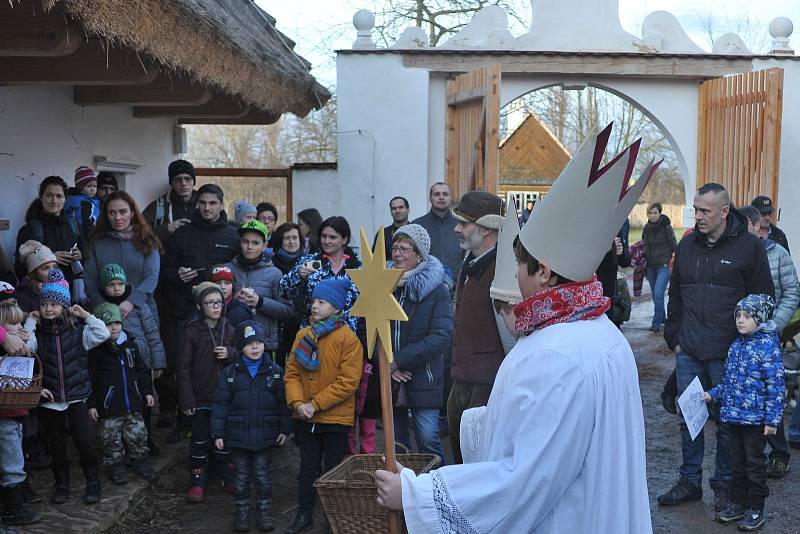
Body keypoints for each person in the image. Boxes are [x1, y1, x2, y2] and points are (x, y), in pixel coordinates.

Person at [375, 128, 653, 532]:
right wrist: (475, 426)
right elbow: (557, 437)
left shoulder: (555, 353)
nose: (516, 282)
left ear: (542, 272)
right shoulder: (598, 329)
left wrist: (416, 495)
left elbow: (525, 479)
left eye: (520, 268)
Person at [659, 183, 774, 516]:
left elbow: (764, 298)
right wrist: (674, 338)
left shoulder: (750, 247)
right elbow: (676, 294)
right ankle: (689, 481)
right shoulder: (688, 245)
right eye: (695, 209)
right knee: (689, 419)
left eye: (705, 211)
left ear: (724, 212)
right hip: (689, 350)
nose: (698, 217)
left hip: (729, 355)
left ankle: (723, 487)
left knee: (727, 424)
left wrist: (748, 347)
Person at [283, 278, 363, 533]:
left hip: (335, 420)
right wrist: (297, 403)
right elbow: (292, 374)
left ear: (336, 307)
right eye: (314, 301)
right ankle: (304, 514)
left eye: (322, 302)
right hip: (305, 418)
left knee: (333, 470)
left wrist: (315, 404)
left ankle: (332, 518)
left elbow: (347, 382)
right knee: (307, 469)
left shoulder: (348, 340)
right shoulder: (303, 335)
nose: (315, 306)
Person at [26, 268, 109, 505]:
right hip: (51, 400)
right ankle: (61, 485)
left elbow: (102, 334)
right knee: (57, 446)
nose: (49, 308)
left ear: (63, 306)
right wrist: (30, 323)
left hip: (76, 397)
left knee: (84, 442)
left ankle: (93, 481)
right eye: (45, 304)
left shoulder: (78, 332)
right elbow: (28, 348)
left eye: (54, 304)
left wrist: (86, 315)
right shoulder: (39, 335)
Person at [703, 294, 785, 531]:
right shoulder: (736, 346)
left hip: (755, 421)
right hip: (733, 417)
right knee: (736, 464)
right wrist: (713, 393)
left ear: (759, 318)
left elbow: (776, 387)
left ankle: (756, 508)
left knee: (754, 464)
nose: (740, 320)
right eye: (738, 315)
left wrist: (772, 419)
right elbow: (729, 382)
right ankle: (738, 504)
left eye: (747, 316)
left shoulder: (768, 348)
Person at [211, 321, 291, 533]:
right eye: (249, 344)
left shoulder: (275, 372)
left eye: (258, 343)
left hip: (265, 435)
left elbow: (284, 404)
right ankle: (242, 512)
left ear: (265, 345)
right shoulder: (230, 374)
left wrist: (285, 429)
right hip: (238, 436)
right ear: (240, 347)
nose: (255, 347)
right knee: (242, 476)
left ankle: (264, 512)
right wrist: (218, 433)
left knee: (263, 475)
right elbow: (220, 405)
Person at [447, 191, 510, 464]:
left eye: (464, 223)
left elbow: (513, 338)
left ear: (486, 229)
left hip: (489, 385)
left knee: (481, 465)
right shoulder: (469, 264)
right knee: (460, 460)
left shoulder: (505, 270)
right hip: (461, 379)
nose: (456, 229)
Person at [740, 205, 799, 478]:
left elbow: (791, 292)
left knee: (769, 395)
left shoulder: (777, 254)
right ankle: (747, 456)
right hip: (739, 338)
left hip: (769, 338)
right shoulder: (736, 254)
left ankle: (779, 453)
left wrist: (775, 325)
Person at [143, 159, 199, 433]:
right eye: (178, 179)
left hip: (196, 290)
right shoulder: (159, 208)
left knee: (196, 351)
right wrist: (167, 230)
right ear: (172, 182)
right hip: (164, 288)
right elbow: (138, 235)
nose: (183, 183)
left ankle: (194, 408)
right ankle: (167, 407)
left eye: (188, 178)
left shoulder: (205, 202)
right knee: (166, 349)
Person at [388, 225, 452, 464]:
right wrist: (386, 364)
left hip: (424, 378)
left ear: (419, 256)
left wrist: (399, 360)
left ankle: (440, 490)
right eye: (395, 248)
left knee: (427, 440)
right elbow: (368, 329)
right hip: (391, 377)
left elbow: (441, 337)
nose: (397, 254)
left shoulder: (436, 290)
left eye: (405, 249)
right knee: (397, 444)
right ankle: (403, 493)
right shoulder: (382, 286)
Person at [95, 263, 166, 456]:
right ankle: (122, 446)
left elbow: (152, 333)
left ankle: (146, 439)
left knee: (145, 404)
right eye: (112, 284)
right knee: (120, 407)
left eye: (120, 283)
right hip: (114, 367)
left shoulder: (138, 305)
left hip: (140, 362)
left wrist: (158, 361)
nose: (117, 288)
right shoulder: (99, 308)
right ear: (103, 287)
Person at [177, 282, 238, 503]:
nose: (215, 306)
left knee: (225, 440)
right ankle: (197, 482)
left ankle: (228, 477)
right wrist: (186, 399)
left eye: (219, 302)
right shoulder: (191, 331)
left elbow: (243, 355)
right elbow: (182, 368)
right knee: (199, 442)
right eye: (210, 302)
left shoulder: (229, 329)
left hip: (224, 399)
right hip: (200, 397)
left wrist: (230, 352)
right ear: (200, 305)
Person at [87, 303, 156, 485]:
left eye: (117, 322)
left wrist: (147, 392)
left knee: (138, 435)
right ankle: (116, 466)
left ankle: (140, 461)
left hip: (133, 403)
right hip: (109, 406)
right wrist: (92, 404)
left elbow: (141, 371)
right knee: (111, 439)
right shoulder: (96, 352)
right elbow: (91, 379)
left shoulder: (130, 346)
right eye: (109, 324)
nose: (114, 327)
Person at [0, 287, 42, 527]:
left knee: (14, 456)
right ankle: (14, 509)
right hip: (5, 415)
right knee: (11, 461)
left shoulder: (16, 346)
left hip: (16, 413)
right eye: (13, 324)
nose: (18, 327)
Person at [224, 219, 293, 361]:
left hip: (264, 344)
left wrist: (260, 302)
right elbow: (214, 305)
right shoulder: (228, 270)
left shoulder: (275, 273)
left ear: (264, 245)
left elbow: (287, 310)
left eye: (255, 243)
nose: (249, 247)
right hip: (233, 342)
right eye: (245, 242)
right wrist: (232, 300)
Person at [279, 216, 361, 331]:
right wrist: (297, 275)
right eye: (324, 236)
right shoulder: (309, 261)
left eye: (332, 237)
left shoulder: (358, 267)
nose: (326, 241)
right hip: (313, 335)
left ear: (344, 239)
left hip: (348, 337)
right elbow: (283, 291)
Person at [15, 176, 85, 282]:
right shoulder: (29, 230)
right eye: (49, 195)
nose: (54, 201)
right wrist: (48, 259)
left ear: (65, 198)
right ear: (41, 197)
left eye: (59, 196)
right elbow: (19, 269)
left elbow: (89, 262)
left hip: (72, 294)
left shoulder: (74, 227)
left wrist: (81, 256)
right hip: (42, 295)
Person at [412, 182, 463, 287]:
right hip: (425, 289)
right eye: (436, 194)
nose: (441, 197)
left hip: (458, 291)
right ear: (430, 198)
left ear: (450, 198)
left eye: (445, 194)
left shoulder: (462, 225)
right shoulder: (417, 227)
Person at [271, 222, 305, 368]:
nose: (291, 242)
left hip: (302, 322)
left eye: (294, 237)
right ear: (280, 241)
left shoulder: (308, 262)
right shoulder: (271, 264)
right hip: (279, 323)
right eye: (287, 238)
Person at [642, 202, 677, 333]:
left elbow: (674, 246)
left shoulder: (666, 227)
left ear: (660, 213)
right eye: (650, 213)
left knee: (658, 293)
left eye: (655, 212)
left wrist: (674, 262)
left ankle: (656, 323)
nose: (653, 215)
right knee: (655, 295)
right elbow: (643, 245)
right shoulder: (646, 228)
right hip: (650, 267)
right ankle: (662, 317)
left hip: (663, 265)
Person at [16, 241, 57, 313]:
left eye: (54, 267)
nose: (53, 272)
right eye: (46, 268)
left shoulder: (59, 289)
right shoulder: (23, 296)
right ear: (33, 273)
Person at [63, 166, 100, 237]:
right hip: (81, 233)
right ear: (80, 187)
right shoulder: (78, 201)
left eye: (95, 186)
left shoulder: (95, 200)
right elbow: (82, 221)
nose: (92, 189)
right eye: (89, 186)